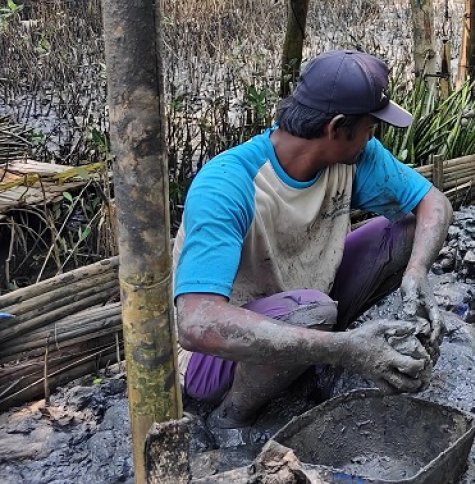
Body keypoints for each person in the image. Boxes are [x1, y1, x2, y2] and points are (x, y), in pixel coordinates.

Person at [171, 49, 453, 434]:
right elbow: (195, 323)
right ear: (337, 128)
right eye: (370, 127)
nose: (372, 137)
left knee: (403, 233)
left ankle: (315, 345)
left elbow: (433, 203)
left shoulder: (354, 158)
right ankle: (231, 417)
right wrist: (347, 349)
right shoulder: (229, 183)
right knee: (312, 310)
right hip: (215, 359)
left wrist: (416, 274)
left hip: (305, 305)